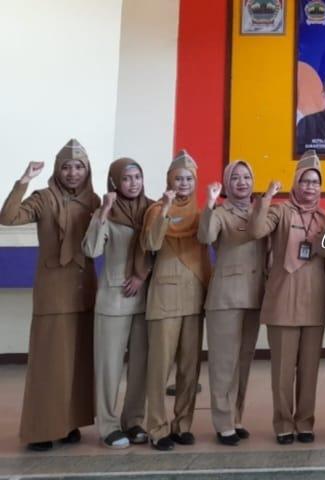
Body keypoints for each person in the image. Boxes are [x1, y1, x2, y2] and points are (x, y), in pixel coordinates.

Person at [1, 139, 99, 451]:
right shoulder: (43, 198)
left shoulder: (94, 201)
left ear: (87, 170)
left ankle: (68, 423)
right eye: (66, 167)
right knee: (48, 364)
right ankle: (41, 429)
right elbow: (9, 217)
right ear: (57, 170)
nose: (72, 173)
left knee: (76, 364)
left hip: (84, 291)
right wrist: (23, 180)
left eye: (79, 166)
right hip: (53, 295)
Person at [250, 150, 325, 445]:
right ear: (295, 183)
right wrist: (266, 197)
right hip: (283, 299)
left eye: (315, 182)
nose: (310, 187)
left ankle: (305, 422)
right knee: (282, 370)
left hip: (314, 300)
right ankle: (283, 423)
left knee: (310, 369)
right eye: (305, 181)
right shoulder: (280, 211)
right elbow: (256, 229)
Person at [142, 150, 211, 451]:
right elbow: (151, 242)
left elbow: (208, 238)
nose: (183, 183)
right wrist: (167, 208)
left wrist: (210, 204)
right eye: (178, 179)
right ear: (169, 181)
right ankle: (157, 428)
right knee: (160, 367)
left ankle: (182, 424)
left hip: (194, 295)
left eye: (188, 179)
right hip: (165, 297)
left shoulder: (200, 212)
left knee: (189, 367)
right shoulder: (157, 210)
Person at [82, 157, 151, 449]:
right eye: (126, 178)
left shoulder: (153, 209)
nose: (133, 183)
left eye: (137, 176)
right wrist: (104, 211)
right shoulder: (106, 214)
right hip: (113, 299)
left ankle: (133, 421)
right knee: (109, 367)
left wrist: (140, 276)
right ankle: (108, 425)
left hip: (145, 299)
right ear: (114, 183)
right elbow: (91, 248)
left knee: (140, 367)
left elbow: (157, 251)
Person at [198, 160, 267, 446]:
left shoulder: (261, 212)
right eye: (235, 178)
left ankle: (236, 417)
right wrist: (210, 204)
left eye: (246, 176)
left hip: (254, 295)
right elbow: (205, 236)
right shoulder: (219, 212)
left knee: (243, 361)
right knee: (224, 363)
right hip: (226, 296)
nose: (241, 182)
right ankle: (223, 423)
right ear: (226, 184)